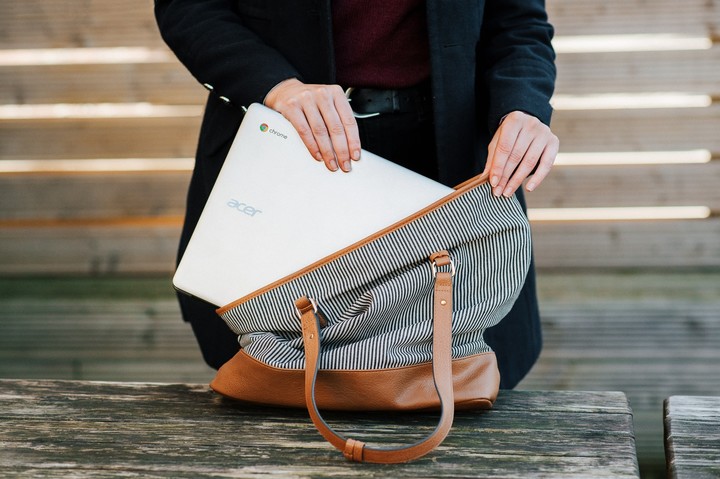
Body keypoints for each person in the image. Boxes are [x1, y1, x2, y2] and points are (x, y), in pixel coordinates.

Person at [155, 0, 558, 389]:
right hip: (291, 142)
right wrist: (277, 85)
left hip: (447, 161)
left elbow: (518, 23)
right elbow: (189, 8)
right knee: (270, 375)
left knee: (465, 371)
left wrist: (523, 106)